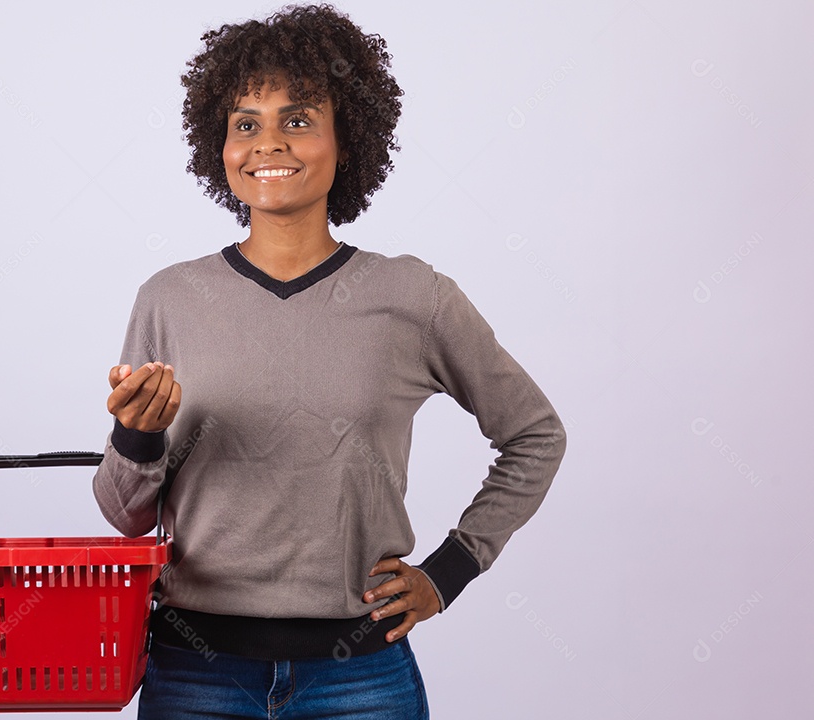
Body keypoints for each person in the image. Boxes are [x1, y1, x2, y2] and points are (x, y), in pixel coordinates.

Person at [93, 4, 566, 718]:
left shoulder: (415, 297)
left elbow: (535, 435)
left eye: (299, 119)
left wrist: (449, 571)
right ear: (218, 145)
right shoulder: (170, 299)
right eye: (245, 123)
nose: (267, 144)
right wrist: (136, 437)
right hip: (195, 673)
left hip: (361, 678)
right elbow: (125, 517)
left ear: (348, 142)